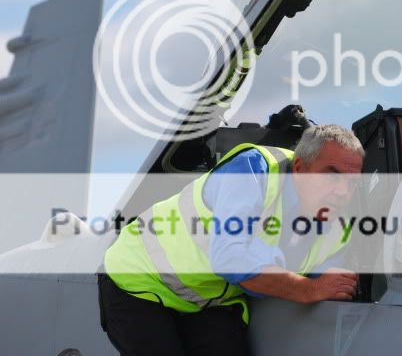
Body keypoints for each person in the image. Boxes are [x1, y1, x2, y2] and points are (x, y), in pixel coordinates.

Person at [98, 124, 365, 356]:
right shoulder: (253, 170)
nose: (343, 191)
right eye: (332, 175)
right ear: (299, 168)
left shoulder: (339, 229)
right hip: (141, 278)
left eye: (352, 183)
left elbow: (329, 287)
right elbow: (231, 258)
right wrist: (308, 289)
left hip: (211, 297)